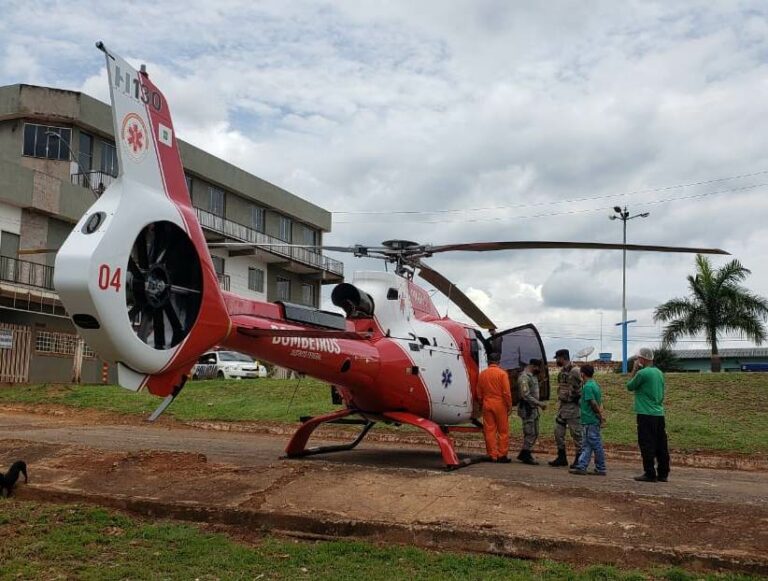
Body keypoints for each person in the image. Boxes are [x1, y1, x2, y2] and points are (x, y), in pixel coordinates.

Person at [626, 347, 670, 482]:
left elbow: (629, 386)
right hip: (659, 413)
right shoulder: (659, 373)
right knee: (661, 444)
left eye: (638, 358)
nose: (637, 360)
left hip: (645, 413)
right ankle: (663, 473)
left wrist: (634, 369)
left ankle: (649, 473)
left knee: (646, 443)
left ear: (642, 359)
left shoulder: (642, 373)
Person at [548, 349, 583, 468]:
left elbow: (583, 387)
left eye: (557, 358)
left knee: (576, 433)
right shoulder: (562, 371)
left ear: (562, 358)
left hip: (573, 407)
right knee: (558, 432)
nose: (556, 361)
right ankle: (561, 456)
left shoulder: (575, 371)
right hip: (563, 407)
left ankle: (580, 459)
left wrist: (576, 398)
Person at [569, 365, 606, 476]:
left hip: (590, 420)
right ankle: (582, 466)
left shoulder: (588, 387)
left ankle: (601, 468)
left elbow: (593, 403)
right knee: (588, 445)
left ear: (582, 374)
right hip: (589, 420)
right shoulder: (594, 385)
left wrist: (599, 416)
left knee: (595, 445)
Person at [477, 351, 512, 463]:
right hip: (500, 404)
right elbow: (506, 392)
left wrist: (482, 402)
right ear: (498, 362)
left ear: (488, 361)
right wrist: (509, 405)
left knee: (489, 430)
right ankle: (502, 455)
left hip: (487, 404)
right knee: (503, 431)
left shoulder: (482, 374)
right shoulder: (502, 374)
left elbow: (478, 392)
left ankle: (492, 454)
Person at [517, 358, 547, 465]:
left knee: (535, 432)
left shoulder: (533, 376)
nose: (539, 370)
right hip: (527, 409)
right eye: (538, 367)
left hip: (533, 409)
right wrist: (539, 404)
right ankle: (526, 454)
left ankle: (525, 452)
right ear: (533, 366)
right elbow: (525, 395)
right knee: (530, 432)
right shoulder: (524, 377)